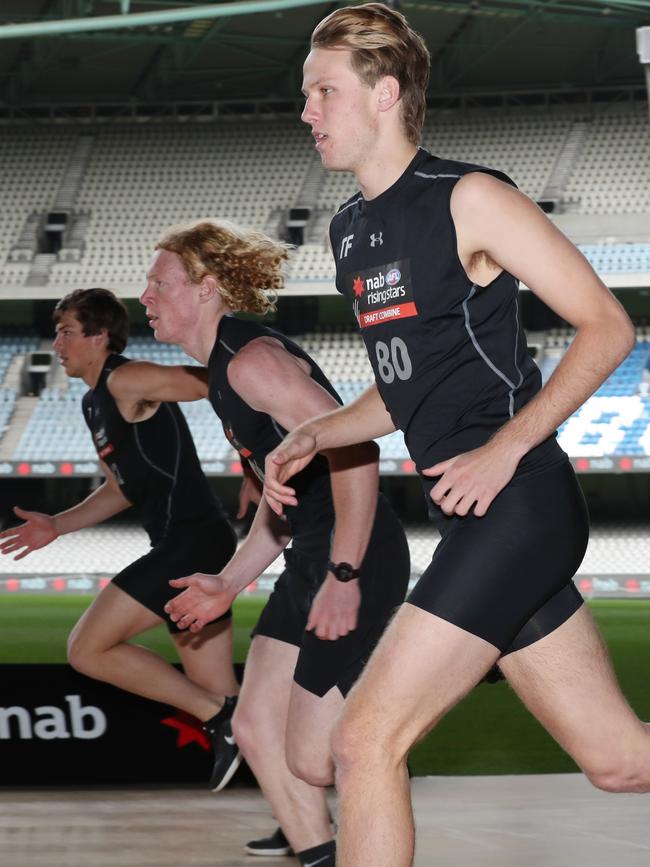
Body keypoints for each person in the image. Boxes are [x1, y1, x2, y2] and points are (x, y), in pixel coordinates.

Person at [262, 4, 650, 865]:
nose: (307, 112)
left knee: (362, 743)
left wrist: (507, 445)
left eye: (324, 91)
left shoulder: (469, 197)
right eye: (305, 94)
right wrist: (318, 432)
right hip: (475, 517)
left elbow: (607, 327)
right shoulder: (350, 232)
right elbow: (408, 389)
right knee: (620, 761)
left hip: (519, 504)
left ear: (386, 93)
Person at [135, 219, 410, 866]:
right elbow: (277, 503)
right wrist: (229, 581)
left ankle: (448, 666)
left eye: (158, 283)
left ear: (205, 289)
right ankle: (319, 853)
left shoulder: (252, 363)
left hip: (349, 551)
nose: (145, 296)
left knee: (319, 755)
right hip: (311, 551)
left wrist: (345, 572)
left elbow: (359, 453)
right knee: (255, 726)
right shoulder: (225, 374)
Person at [0, 288, 242, 792]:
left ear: (99, 335)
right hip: (190, 544)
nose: (57, 343)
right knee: (223, 693)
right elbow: (119, 490)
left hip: (192, 545)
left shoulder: (126, 378)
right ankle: (300, 819)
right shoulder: (96, 403)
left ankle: (218, 715)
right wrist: (56, 526)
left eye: (67, 331)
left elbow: (215, 381)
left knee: (88, 650)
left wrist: (254, 458)